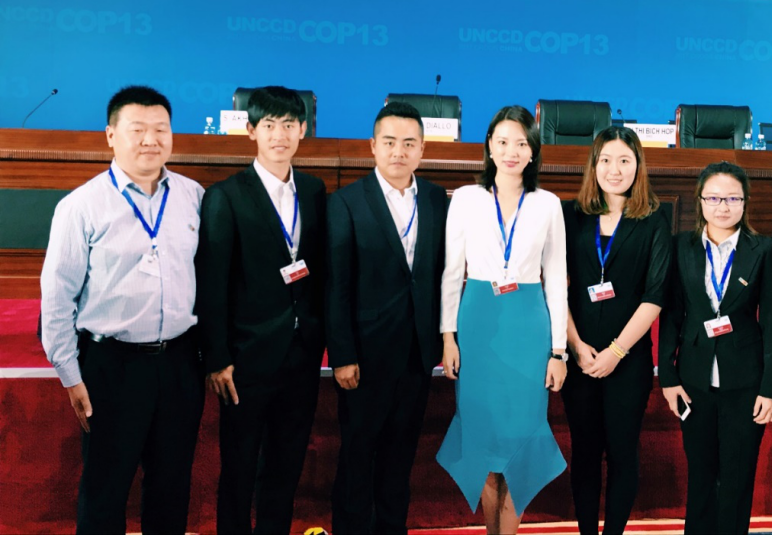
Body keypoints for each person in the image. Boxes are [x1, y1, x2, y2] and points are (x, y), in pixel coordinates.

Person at [40, 85, 204, 534]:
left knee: (172, 484)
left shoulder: (193, 196)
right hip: (111, 365)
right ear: (111, 135)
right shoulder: (81, 206)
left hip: (179, 362)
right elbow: (57, 296)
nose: (151, 140)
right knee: (105, 487)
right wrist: (70, 373)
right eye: (138, 129)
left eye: (161, 129)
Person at [195, 86, 327, 534]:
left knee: (285, 468)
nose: (279, 135)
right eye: (269, 125)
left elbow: (319, 271)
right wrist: (217, 357)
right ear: (251, 131)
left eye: (289, 125)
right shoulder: (226, 196)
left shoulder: (314, 190)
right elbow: (212, 283)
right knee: (238, 468)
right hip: (245, 359)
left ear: (303, 130)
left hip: (301, 355)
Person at [438, 105, 568, 535]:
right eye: (503, 142)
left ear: (533, 151)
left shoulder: (548, 204)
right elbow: (452, 273)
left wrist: (558, 352)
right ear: (489, 147)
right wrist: (448, 337)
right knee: (481, 436)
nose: (512, 151)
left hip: (527, 329)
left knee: (520, 438)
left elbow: (556, 281)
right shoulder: (466, 198)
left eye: (521, 143)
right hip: (478, 324)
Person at [326, 102, 448, 535]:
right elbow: (336, 285)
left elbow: (439, 274)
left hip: (416, 354)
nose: (399, 151)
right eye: (390, 142)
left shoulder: (435, 198)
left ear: (422, 149)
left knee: (400, 458)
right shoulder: (346, 201)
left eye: (409, 143)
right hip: (365, 356)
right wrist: (342, 354)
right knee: (358, 456)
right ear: (373, 146)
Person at [659, 161, 772, 534]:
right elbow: (672, 315)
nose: (722, 207)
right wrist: (668, 377)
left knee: (737, 477)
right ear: (700, 201)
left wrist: (769, 389)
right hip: (693, 380)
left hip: (745, 381)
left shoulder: (763, 249)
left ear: (745, 202)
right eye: (713, 198)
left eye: (732, 198)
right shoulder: (681, 246)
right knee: (700, 474)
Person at [561, 126, 671, 535]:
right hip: (580, 358)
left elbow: (655, 295)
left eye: (625, 160)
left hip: (628, 361)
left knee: (623, 453)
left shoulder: (654, 219)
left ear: (638, 167)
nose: (615, 169)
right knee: (585, 453)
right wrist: (576, 345)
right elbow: (556, 286)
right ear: (594, 165)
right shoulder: (571, 216)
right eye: (606, 160)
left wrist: (616, 352)